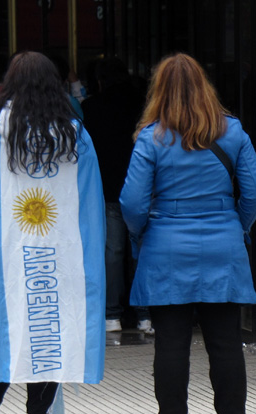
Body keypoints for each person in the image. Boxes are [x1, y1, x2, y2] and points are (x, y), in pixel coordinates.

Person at [0, 51, 105, 414]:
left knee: (0, 332)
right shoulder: (73, 133)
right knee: (48, 331)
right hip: (58, 254)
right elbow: (89, 200)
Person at [120, 52, 256, 414]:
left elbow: (132, 202)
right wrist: (236, 225)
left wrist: (143, 233)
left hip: (166, 247)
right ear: (206, 87)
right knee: (225, 341)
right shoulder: (232, 133)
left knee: (171, 343)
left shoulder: (151, 139)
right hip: (223, 245)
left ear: (159, 92)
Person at [81, 57, 150, 335]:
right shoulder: (143, 107)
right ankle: (145, 314)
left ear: (100, 81)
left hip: (107, 186)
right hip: (142, 187)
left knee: (112, 251)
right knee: (141, 252)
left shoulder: (91, 108)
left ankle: (112, 315)